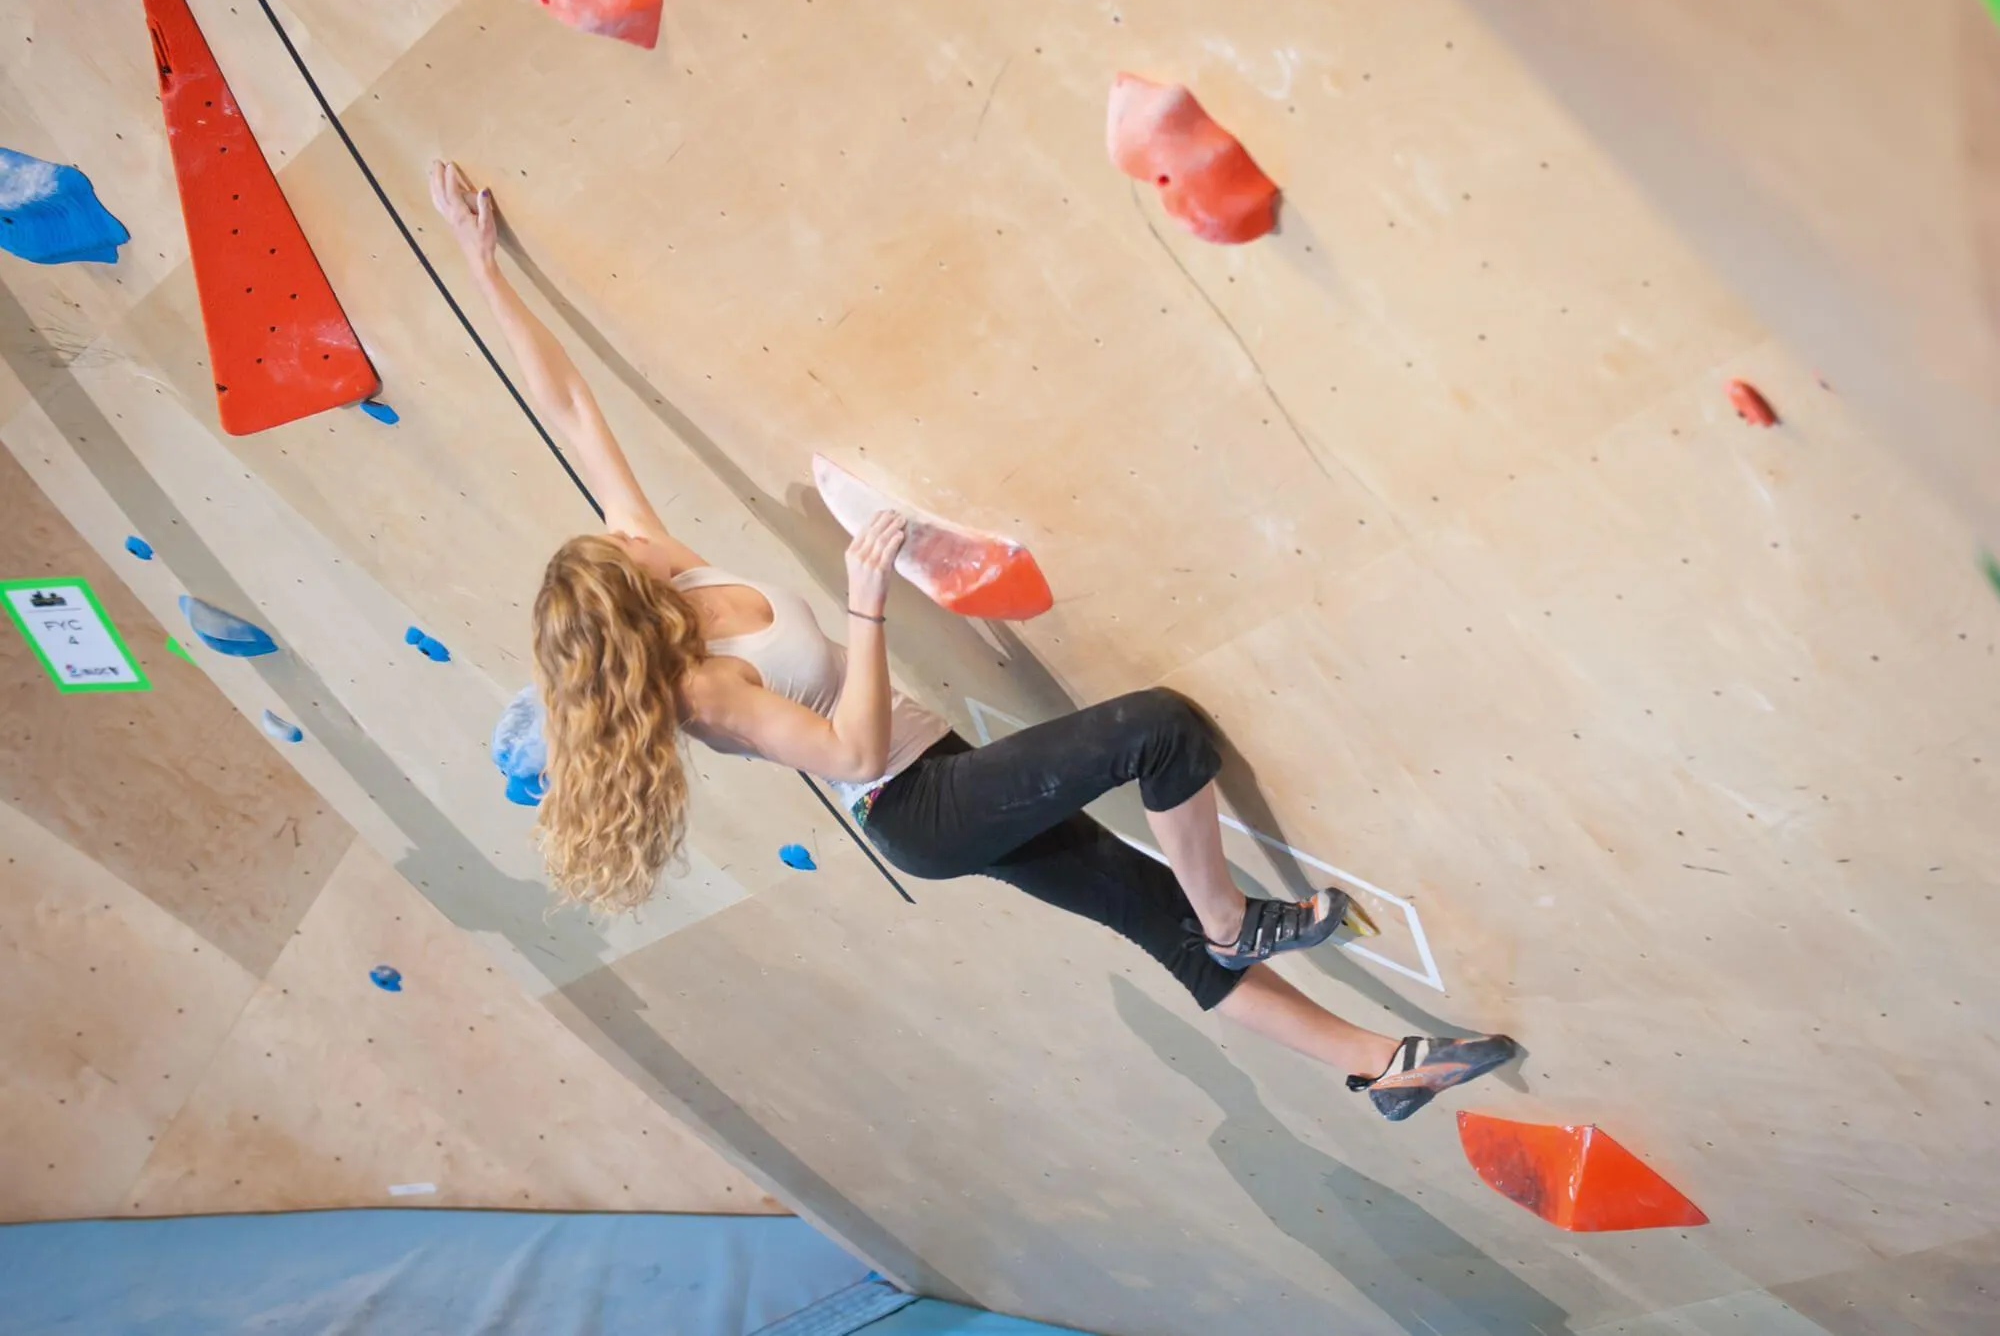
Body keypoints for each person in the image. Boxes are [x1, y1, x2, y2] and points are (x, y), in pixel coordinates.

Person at [429, 161, 1517, 1121]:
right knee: (1155, 732)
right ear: (629, 624)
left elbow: (571, 411)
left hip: (940, 772)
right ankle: (1232, 919)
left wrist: (486, 273)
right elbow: (852, 755)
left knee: (1148, 915)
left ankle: (1387, 1067)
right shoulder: (704, 691)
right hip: (914, 807)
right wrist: (863, 603)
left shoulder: (657, 564)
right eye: (625, 565)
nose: (637, 546)